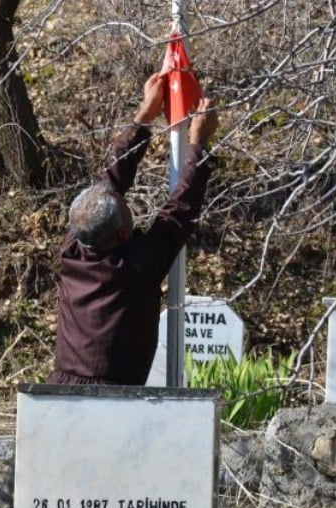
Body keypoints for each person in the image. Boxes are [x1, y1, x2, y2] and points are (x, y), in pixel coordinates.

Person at [49, 71, 219, 386]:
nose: (128, 203)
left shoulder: (75, 243)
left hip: (59, 387)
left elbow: (111, 178)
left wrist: (145, 114)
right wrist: (198, 144)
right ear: (122, 234)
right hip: (111, 396)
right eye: (129, 212)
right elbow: (179, 210)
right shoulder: (135, 266)